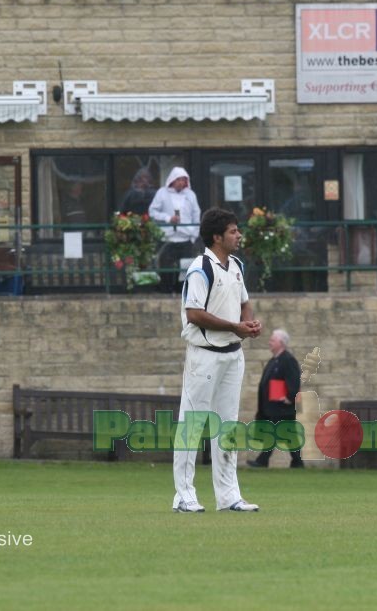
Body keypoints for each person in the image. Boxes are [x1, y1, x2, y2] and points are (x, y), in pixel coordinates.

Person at [172, 208, 262, 513]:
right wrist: (234, 326)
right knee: (193, 425)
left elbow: (244, 302)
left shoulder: (235, 265)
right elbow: (194, 314)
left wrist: (247, 325)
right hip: (204, 357)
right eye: (233, 231)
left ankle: (228, 496)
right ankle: (184, 496)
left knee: (228, 426)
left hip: (233, 356)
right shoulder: (200, 268)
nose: (239, 235)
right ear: (217, 236)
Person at [247, 329, 303, 468]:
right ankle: (297, 462)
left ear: (281, 343)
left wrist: (289, 397)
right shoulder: (274, 360)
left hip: (282, 406)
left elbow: (294, 380)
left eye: (272, 340)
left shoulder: (288, 360)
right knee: (289, 434)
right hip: (271, 405)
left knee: (273, 432)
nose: (269, 343)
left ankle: (262, 460)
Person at [148, 167, 200, 293]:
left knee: (185, 267)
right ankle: (166, 290)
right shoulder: (162, 193)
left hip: (186, 237)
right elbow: (152, 212)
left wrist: (194, 235)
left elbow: (196, 214)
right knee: (166, 266)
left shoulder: (190, 195)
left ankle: (182, 292)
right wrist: (167, 218)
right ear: (172, 180)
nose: (181, 183)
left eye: (183, 180)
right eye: (178, 180)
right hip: (167, 238)